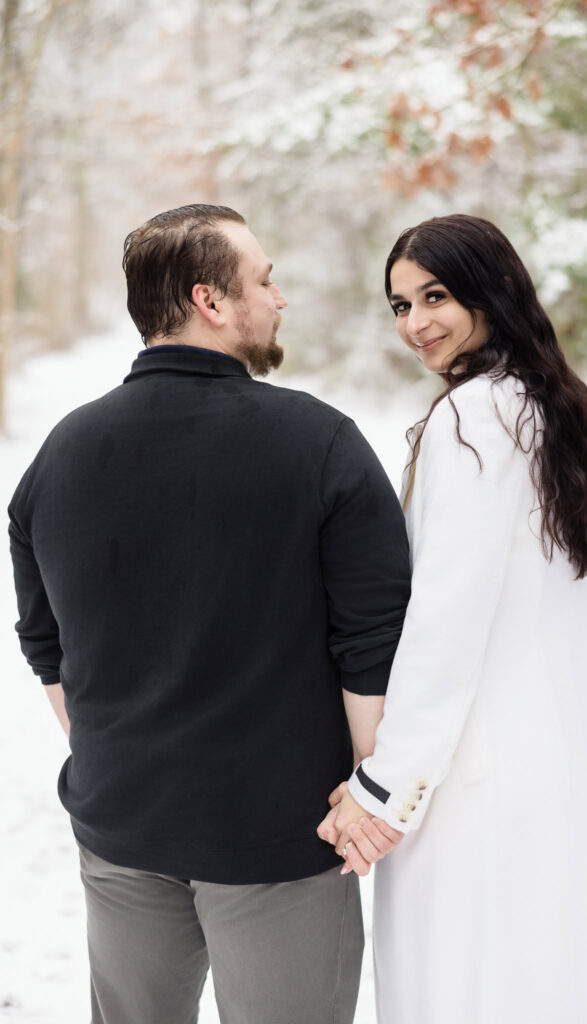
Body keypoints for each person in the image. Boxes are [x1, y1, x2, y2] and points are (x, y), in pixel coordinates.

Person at [8, 203, 410, 1024]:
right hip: (275, 839)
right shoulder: (320, 444)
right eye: (264, 280)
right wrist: (364, 793)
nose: (279, 298)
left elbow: (45, 645)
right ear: (211, 301)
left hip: (120, 825)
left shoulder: (60, 454)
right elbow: (372, 643)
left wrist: (122, 761)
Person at [318, 214, 587, 1023]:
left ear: (490, 288)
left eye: (433, 296)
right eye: (399, 306)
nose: (415, 324)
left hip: (480, 774)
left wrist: (384, 787)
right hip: (556, 762)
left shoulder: (475, 418)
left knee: (478, 985)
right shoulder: (547, 409)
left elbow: (447, 616)